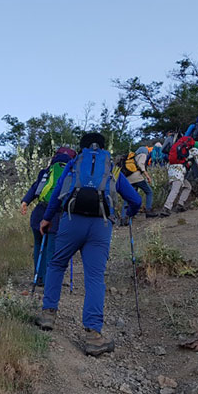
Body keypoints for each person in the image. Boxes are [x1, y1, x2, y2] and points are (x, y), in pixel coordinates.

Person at [35, 133, 142, 356]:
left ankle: (48, 314)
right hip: (101, 225)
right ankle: (93, 335)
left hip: (71, 221)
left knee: (57, 264)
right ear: (103, 148)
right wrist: (128, 213)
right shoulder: (111, 167)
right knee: (95, 276)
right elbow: (136, 200)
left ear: (81, 148)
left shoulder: (75, 163)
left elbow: (57, 193)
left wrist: (46, 217)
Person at [20, 146, 76, 285]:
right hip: (56, 214)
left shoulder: (45, 172)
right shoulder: (71, 174)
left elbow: (35, 188)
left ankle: (38, 277)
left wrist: (25, 201)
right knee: (52, 247)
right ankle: (48, 280)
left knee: (39, 244)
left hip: (39, 212)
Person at [160, 136, 198, 216]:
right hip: (179, 171)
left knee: (188, 187)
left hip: (171, 169)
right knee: (175, 189)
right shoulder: (194, 150)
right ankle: (166, 208)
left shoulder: (181, 148)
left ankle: (180, 205)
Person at [122, 146, 157, 219]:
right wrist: (147, 176)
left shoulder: (133, 157)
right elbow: (141, 165)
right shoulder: (143, 154)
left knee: (129, 196)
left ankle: (124, 217)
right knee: (149, 192)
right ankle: (148, 211)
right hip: (137, 177)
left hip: (128, 178)